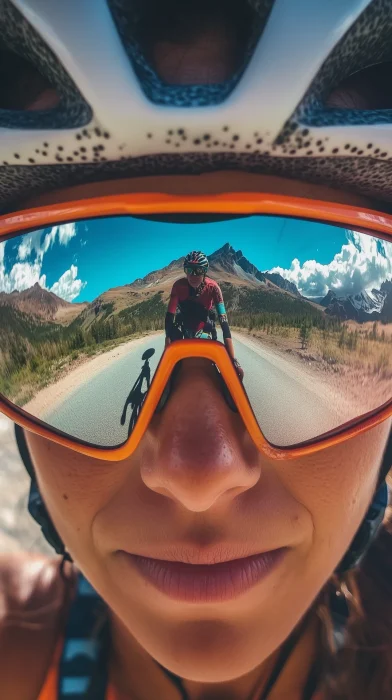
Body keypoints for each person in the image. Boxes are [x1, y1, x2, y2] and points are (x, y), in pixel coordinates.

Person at [0, 2, 391, 700]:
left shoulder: (211, 293)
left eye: (345, 243)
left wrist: (228, 347)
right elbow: (176, 327)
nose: (199, 473)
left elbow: (220, 328)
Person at [165, 250, 244, 379]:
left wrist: (232, 359)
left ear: (205, 271)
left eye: (199, 271)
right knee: (174, 344)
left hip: (204, 324)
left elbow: (224, 323)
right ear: (185, 270)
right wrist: (166, 351)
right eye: (190, 270)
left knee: (212, 354)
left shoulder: (213, 287)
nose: (194, 276)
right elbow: (169, 318)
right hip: (184, 321)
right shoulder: (178, 286)